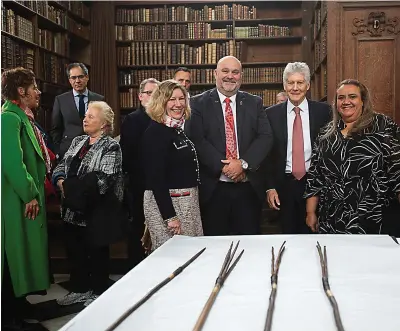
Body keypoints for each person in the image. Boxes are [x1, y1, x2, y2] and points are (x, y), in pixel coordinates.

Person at [52, 101, 126, 306]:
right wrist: (60, 181)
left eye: (91, 117)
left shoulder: (111, 146)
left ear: (103, 124)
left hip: (95, 211)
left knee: (96, 253)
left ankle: (98, 292)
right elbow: (61, 166)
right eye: (85, 116)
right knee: (75, 252)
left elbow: (103, 180)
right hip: (70, 210)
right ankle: (79, 288)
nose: (85, 119)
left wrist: (71, 187)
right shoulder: (78, 142)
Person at [189, 56, 273, 236]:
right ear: (215, 74)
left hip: (247, 189)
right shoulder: (197, 103)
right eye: (225, 71)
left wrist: (242, 164)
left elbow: (265, 137)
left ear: (241, 75)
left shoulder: (254, 102)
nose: (230, 76)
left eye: (235, 72)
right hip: (214, 188)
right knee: (215, 247)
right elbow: (197, 139)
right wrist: (226, 167)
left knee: (249, 246)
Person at [305, 79, 400, 234]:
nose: (346, 101)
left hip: (375, 218)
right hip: (332, 220)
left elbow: (397, 171)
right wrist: (310, 212)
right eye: (341, 98)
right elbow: (316, 176)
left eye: (352, 97)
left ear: (363, 101)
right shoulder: (326, 133)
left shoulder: (383, 125)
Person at [1, 67, 50, 330]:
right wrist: (30, 193)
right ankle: (9, 316)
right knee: (12, 255)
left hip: (21, 197)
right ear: (22, 91)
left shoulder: (21, 116)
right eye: (34, 87)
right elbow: (12, 162)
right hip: (15, 200)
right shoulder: (9, 118)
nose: (38, 92)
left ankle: (18, 307)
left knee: (21, 254)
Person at [265, 62, 331, 234]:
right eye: (291, 82)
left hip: (316, 184)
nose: (295, 88)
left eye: (300, 83)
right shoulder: (270, 114)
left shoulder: (324, 112)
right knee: (288, 236)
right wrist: (270, 187)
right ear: (285, 85)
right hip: (284, 185)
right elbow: (267, 155)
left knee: (314, 234)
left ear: (308, 85)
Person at [141, 80, 203, 250]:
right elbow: (156, 179)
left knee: (191, 256)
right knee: (172, 259)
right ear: (161, 102)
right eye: (172, 99)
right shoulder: (155, 132)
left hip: (187, 204)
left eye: (181, 99)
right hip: (169, 207)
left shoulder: (176, 128)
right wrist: (170, 217)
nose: (178, 104)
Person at [119, 78, 160, 265]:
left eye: (156, 93)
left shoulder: (163, 118)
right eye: (149, 93)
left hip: (161, 184)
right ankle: (135, 267)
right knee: (138, 227)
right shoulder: (132, 119)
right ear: (140, 96)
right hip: (140, 185)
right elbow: (128, 156)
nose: (153, 97)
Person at [50, 63, 105, 160]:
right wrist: (58, 152)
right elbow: (55, 129)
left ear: (87, 77)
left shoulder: (99, 99)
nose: (77, 81)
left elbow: (104, 127)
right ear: (69, 80)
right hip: (68, 152)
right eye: (73, 78)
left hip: (93, 151)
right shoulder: (60, 100)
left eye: (80, 77)